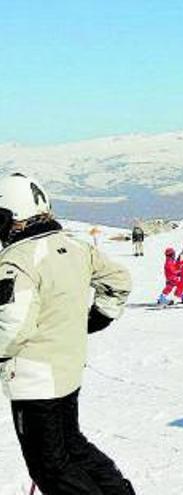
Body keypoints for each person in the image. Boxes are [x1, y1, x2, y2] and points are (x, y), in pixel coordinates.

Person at [0, 174, 135, 494]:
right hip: (67, 371)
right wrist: (100, 316)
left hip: (34, 382)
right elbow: (119, 280)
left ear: (12, 217)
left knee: (50, 467)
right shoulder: (75, 246)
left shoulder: (17, 262)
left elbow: (13, 327)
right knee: (72, 447)